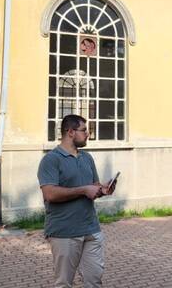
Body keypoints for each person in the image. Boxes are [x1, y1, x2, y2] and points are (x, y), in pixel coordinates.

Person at [38, 114, 117, 288]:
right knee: (64, 283)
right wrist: (83, 190)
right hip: (64, 232)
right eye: (84, 130)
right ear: (71, 132)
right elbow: (49, 194)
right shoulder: (51, 160)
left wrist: (103, 189)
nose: (88, 134)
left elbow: (93, 186)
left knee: (94, 280)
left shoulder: (87, 157)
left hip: (91, 229)